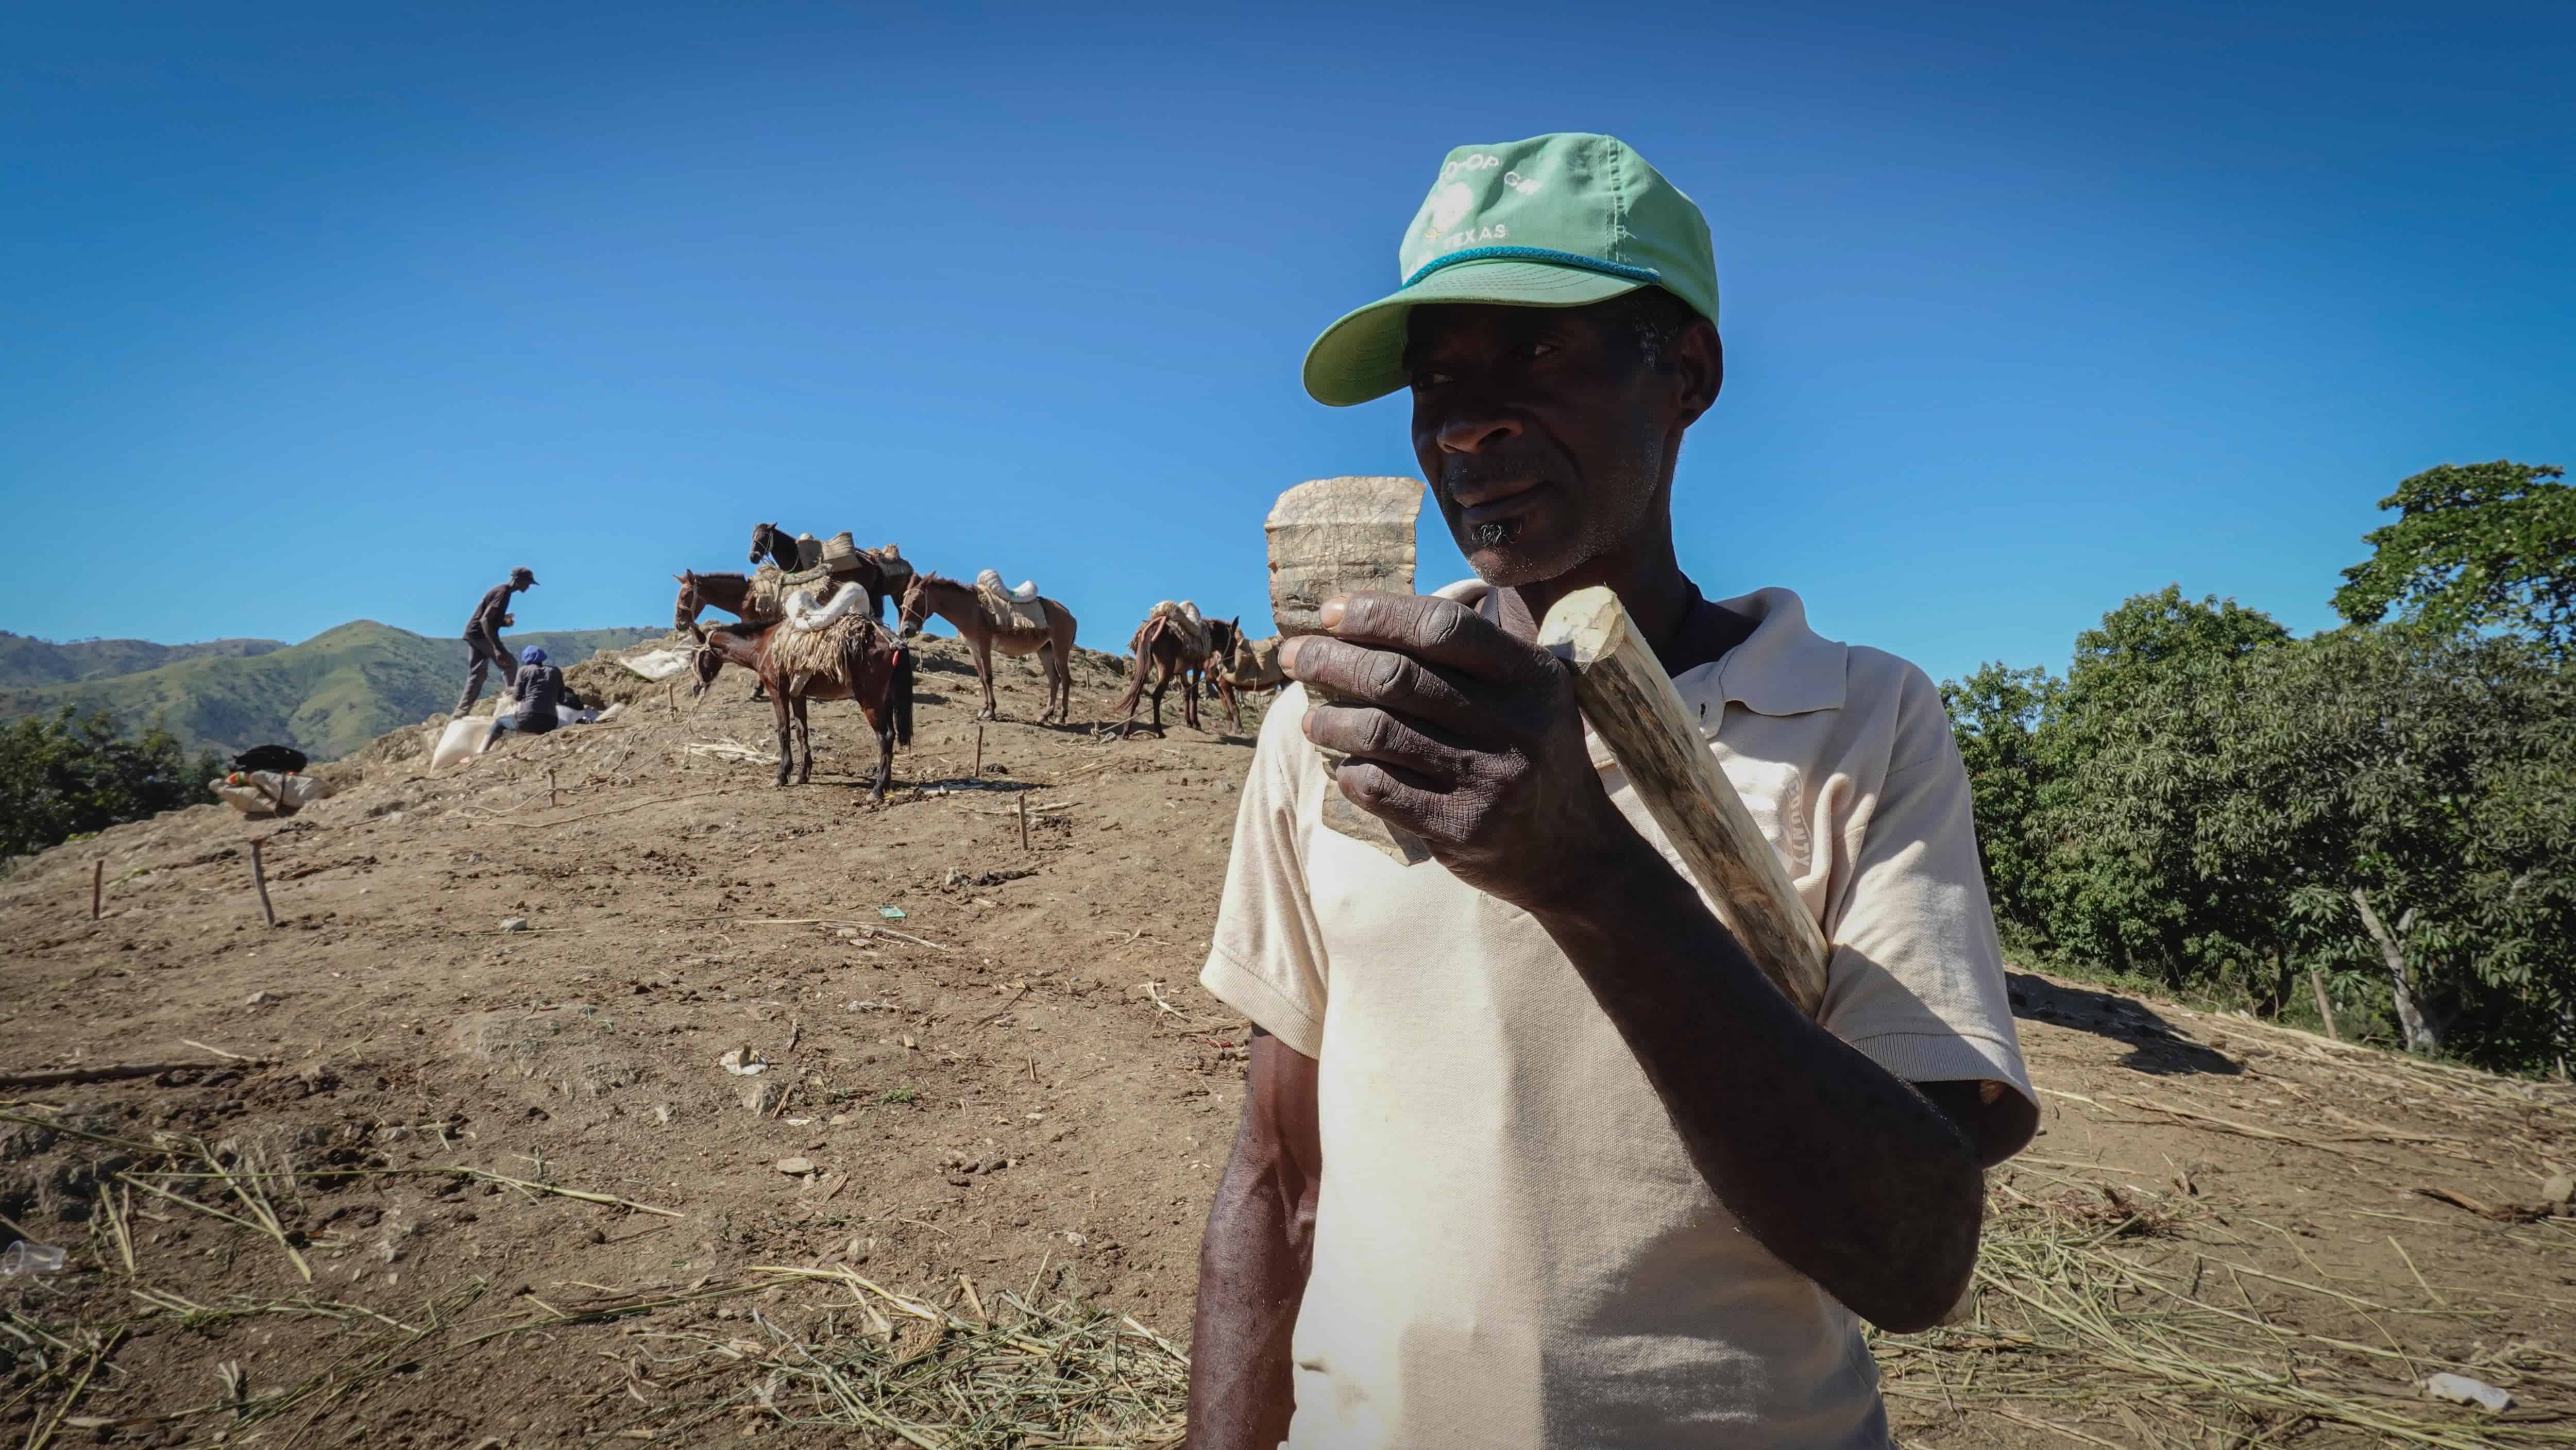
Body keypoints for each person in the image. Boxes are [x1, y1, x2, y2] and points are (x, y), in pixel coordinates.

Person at [1185, 133, 2038, 1449]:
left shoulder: (1861, 723)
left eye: (1537, 352)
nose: (1467, 421)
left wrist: (1584, 869)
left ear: (1683, 372)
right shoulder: (1340, 725)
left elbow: (1912, 1255)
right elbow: (1276, 1178)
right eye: (1437, 379)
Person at [457, 566, 537, 714]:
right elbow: (485, 620)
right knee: (509, 664)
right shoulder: (503, 593)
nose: (528, 586)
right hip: (480, 635)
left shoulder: (503, 592)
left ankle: (461, 712)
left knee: (478, 675)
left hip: (474, 633)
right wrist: (497, 648)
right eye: (528, 582)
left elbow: (490, 619)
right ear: (518, 580)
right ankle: (514, 704)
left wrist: (503, 622)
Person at [482, 646, 567, 749]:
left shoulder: (524, 670)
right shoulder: (556, 671)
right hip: (550, 722)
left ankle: (482, 752)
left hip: (527, 720)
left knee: (499, 723)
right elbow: (561, 699)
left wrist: (513, 691)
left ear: (526, 660)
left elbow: (517, 697)